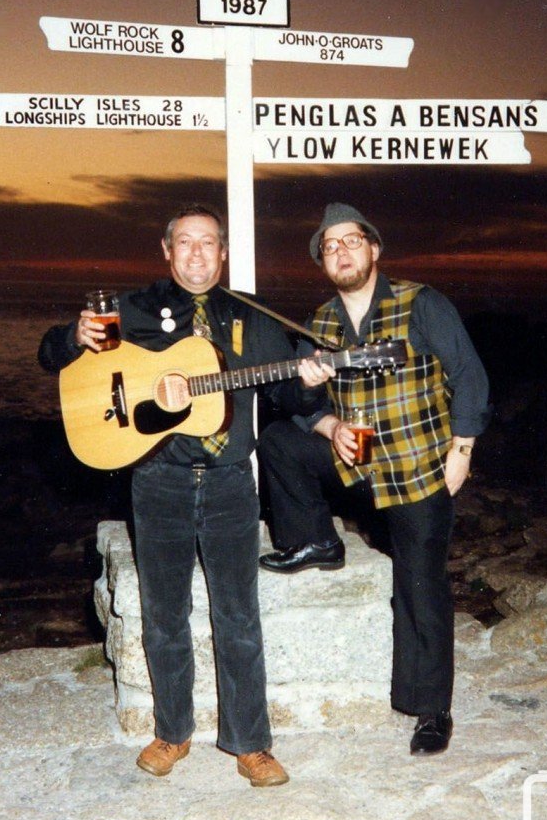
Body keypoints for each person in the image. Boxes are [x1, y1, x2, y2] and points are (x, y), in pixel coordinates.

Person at [38, 203, 326, 785]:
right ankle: (172, 733)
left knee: (239, 616)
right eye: (186, 243)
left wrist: (311, 381)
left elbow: (290, 402)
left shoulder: (253, 315)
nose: (198, 253)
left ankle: (250, 742)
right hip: (158, 480)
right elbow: (52, 356)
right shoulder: (134, 308)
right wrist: (73, 336)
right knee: (165, 615)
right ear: (167, 252)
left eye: (209, 243)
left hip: (229, 484)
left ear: (223, 253)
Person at [258, 202, 491, 756]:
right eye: (330, 246)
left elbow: (470, 377)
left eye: (351, 241)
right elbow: (294, 407)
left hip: (418, 467)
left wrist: (461, 451)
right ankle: (314, 540)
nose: (341, 251)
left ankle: (431, 708)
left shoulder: (421, 303)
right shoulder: (316, 324)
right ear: (323, 262)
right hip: (355, 462)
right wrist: (325, 417)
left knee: (420, 582)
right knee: (278, 442)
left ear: (374, 249)